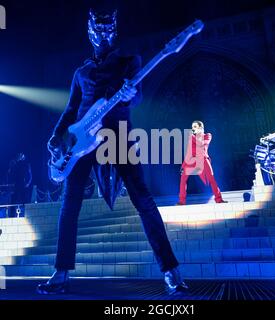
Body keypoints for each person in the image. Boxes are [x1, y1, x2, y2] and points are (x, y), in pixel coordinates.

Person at [37, 6, 187, 295]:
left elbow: (138, 95)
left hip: (118, 134)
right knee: (69, 204)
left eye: (109, 30)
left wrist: (131, 96)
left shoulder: (131, 61)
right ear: (90, 31)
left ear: (114, 31)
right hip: (80, 140)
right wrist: (56, 138)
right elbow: (70, 109)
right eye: (99, 29)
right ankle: (61, 272)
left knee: (143, 199)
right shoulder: (81, 72)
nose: (104, 35)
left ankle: (171, 271)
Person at [177, 120, 227, 205]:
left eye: (195, 127)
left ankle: (219, 199)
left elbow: (201, 144)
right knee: (183, 179)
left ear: (201, 128)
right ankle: (182, 201)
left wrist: (192, 137)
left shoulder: (207, 136)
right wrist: (183, 166)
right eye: (192, 127)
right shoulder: (192, 137)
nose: (193, 129)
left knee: (211, 178)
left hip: (203, 159)